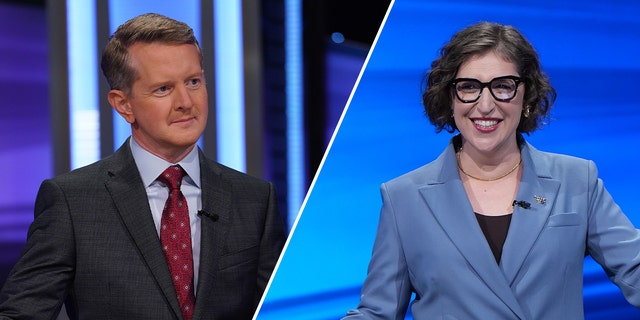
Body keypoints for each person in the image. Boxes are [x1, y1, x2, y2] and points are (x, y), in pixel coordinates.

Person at [343, 21, 640, 319]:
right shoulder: (403, 198)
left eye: (502, 87)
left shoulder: (577, 180)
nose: (485, 105)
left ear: (526, 96)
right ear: (450, 97)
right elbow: (377, 313)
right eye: (469, 87)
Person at [0, 13, 286, 320]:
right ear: (123, 104)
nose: (186, 102)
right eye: (163, 89)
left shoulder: (254, 198)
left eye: (193, 82)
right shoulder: (72, 201)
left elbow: (282, 312)